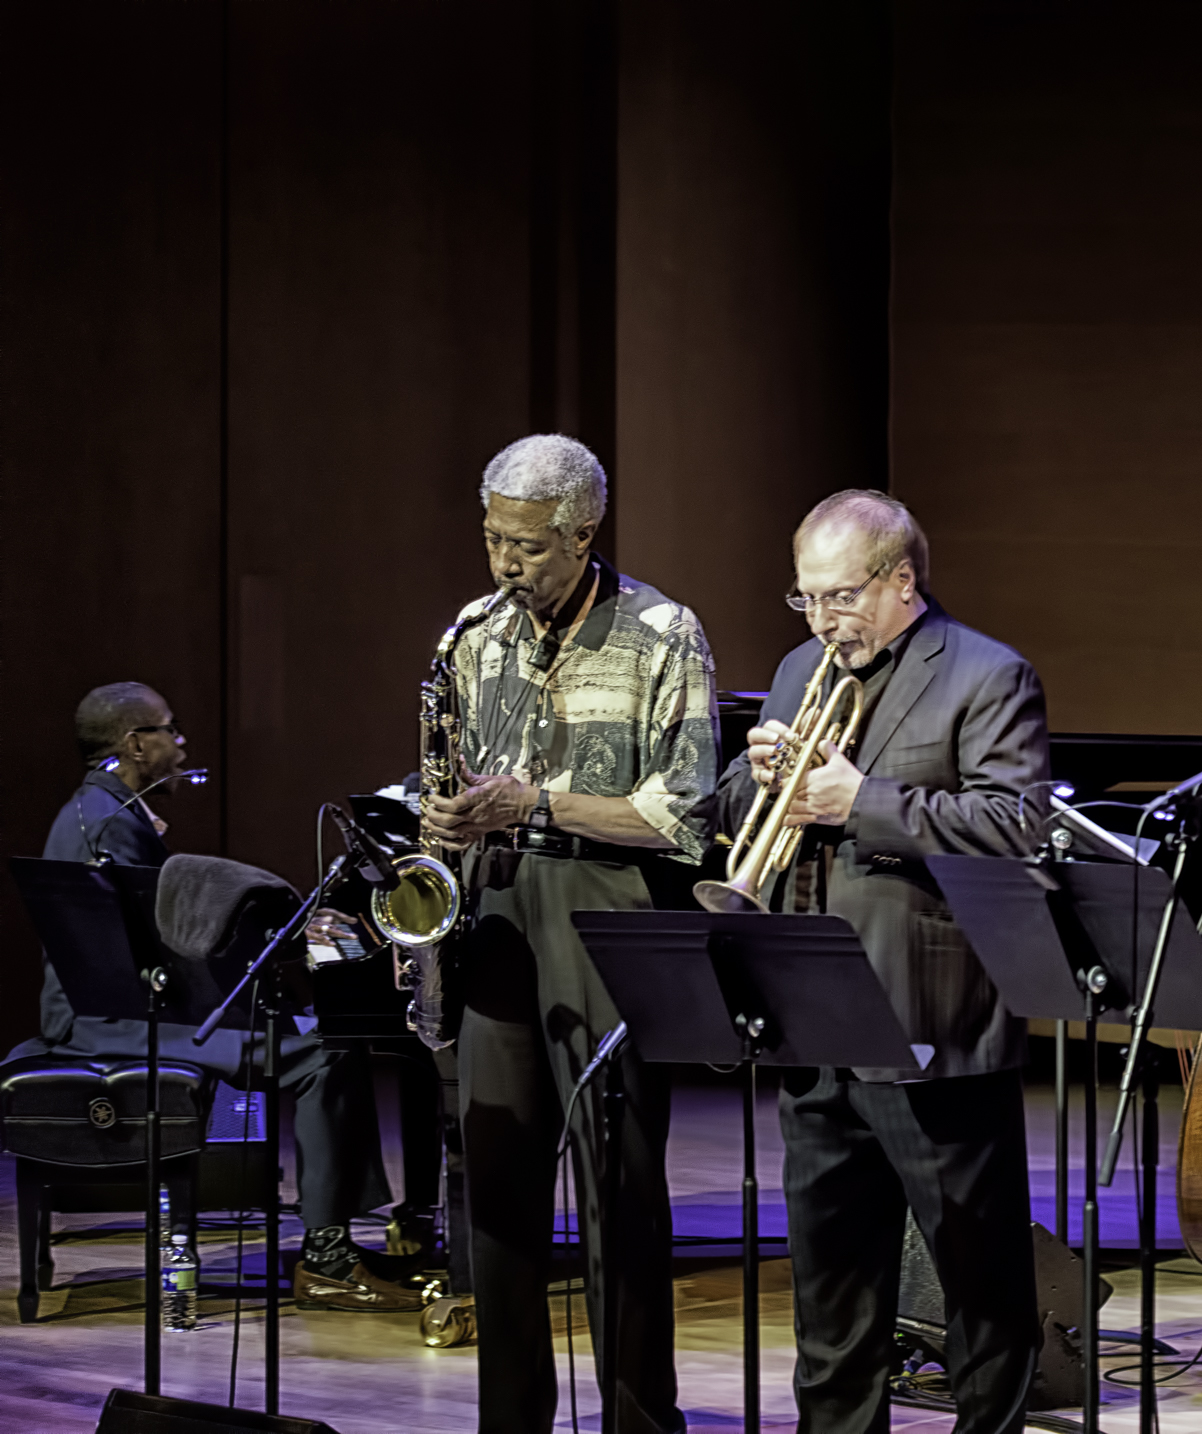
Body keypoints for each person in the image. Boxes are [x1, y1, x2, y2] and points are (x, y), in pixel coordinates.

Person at [715, 489, 1045, 1434]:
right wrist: (758, 774)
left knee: (978, 1287)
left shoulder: (987, 674)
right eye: (807, 599)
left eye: (841, 598)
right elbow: (735, 807)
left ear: (901, 581)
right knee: (830, 1293)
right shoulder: (796, 669)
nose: (823, 622)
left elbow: (1015, 825)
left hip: (930, 1024)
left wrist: (864, 801)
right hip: (814, 1021)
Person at [429, 434, 717, 1434]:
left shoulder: (663, 632)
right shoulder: (471, 634)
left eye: (526, 548)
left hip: (611, 922)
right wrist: (442, 823)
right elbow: (459, 780)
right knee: (498, 1196)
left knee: (619, 1200)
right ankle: (511, 1420)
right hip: (499, 921)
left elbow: (683, 815)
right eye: (491, 541)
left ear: (582, 534)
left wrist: (538, 806)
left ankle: (641, 1421)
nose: (503, 566)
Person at [28, 682, 412, 1312]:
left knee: (318, 1035)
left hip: (127, 1008)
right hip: (107, 1023)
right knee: (324, 1052)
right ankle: (327, 1260)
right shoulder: (107, 824)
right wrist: (277, 949)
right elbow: (153, 953)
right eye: (169, 731)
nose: (180, 745)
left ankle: (338, 1237)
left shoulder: (107, 810)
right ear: (134, 743)